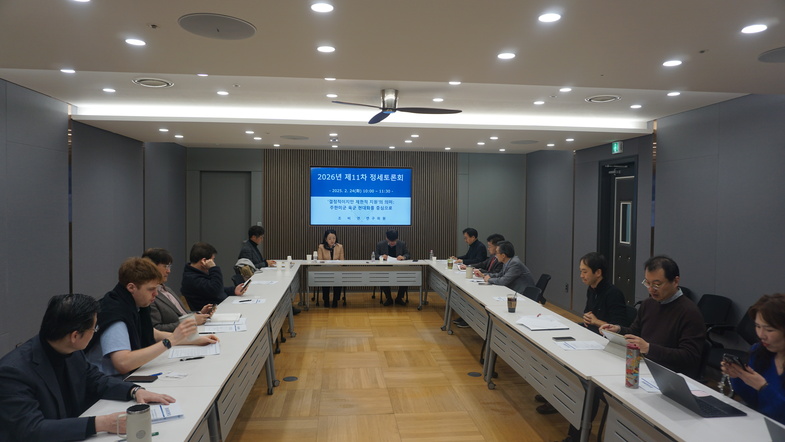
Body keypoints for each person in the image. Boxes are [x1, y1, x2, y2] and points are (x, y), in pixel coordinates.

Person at [0, 293, 176, 442]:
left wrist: (134, 391)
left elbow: (95, 379)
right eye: (94, 328)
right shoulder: (13, 372)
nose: (95, 332)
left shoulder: (71, 350)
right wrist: (102, 423)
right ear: (75, 336)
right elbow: (31, 429)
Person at [88, 257, 219, 376]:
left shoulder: (132, 304)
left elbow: (153, 333)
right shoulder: (116, 315)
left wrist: (194, 340)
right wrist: (171, 341)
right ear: (131, 287)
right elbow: (123, 363)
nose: (156, 294)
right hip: (108, 382)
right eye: (151, 289)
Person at [600, 255, 705, 379]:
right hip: (643, 367)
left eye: (657, 284)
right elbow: (635, 332)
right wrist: (618, 330)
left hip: (669, 376)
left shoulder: (689, 312)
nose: (651, 289)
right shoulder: (648, 304)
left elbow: (690, 357)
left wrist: (649, 348)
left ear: (675, 281)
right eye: (647, 283)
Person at [722, 294, 785, 425]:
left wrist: (763, 387)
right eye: (757, 326)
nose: (761, 335)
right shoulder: (759, 351)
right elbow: (752, 401)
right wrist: (738, 376)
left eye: (769, 330)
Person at [143, 248, 215, 332]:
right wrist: (192, 321)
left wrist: (200, 314)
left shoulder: (167, 290)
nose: (169, 271)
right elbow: (156, 329)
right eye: (165, 266)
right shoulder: (150, 296)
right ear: (152, 267)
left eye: (169, 266)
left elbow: (182, 314)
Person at [453, 233, 506, 328]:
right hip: (488, 282)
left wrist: (482, 273)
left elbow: (496, 273)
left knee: (474, 295)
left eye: (490, 246)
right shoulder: (493, 257)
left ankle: (470, 318)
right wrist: (470, 267)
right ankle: (466, 316)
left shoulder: (502, 260)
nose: (488, 249)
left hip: (496, 287)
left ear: (497, 247)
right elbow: (483, 264)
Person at [182, 242, 247, 312]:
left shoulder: (196, 273)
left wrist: (233, 290)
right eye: (213, 259)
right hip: (212, 314)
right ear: (204, 261)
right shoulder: (191, 279)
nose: (213, 262)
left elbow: (212, 289)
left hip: (220, 307)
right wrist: (213, 268)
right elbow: (215, 290)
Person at [579, 252, 628, 334]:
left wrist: (596, 321)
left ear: (598, 272)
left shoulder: (613, 293)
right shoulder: (591, 289)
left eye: (585, 272)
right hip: (591, 331)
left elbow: (619, 327)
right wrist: (587, 318)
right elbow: (587, 312)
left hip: (605, 336)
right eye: (581, 271)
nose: (581, 276)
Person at [374, 229, 411, 306]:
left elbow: (407, 254)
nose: (392, 243)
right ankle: (389, 298)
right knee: (383, 278)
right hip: (385, 268)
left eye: (394, 241)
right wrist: (381, 257)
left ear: (397, 239)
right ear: (386, 238)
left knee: (406, 278)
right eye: (390, 241)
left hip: (399, 268)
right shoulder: (380, 244)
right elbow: (375, 255)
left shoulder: (402, 244)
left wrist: (403, 257)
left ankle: (399, 298)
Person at [317, 229, 345, 308]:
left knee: (338, 279)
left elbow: (342, 261)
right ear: (325, 239)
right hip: (325, 270)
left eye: (334, 238)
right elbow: (319, 260)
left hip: (337, 270)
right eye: (329, 238)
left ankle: (335, 300)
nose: (332, 240)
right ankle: (326, 300)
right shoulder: (321, 247)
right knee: (325, 279)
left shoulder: (339, 247)